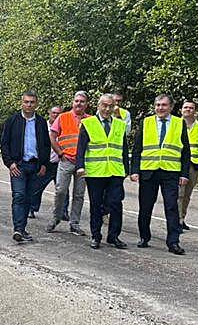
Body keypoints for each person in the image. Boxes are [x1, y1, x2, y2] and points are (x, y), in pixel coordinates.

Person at [131, 94, 192, 255]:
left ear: (171, 107)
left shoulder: (179, 123)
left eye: (164, 105)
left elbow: (186, 151)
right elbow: (137, 149)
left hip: (170, 171)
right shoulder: (146, 122)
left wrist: (184, 174)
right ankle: (144, 237)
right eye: (158, 105)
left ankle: (173, 242)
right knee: (145, 207)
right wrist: (135, 170)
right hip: (148, 171)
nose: (160, 108)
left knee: (171, 207)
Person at [75, 94, 129, 249]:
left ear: (114, 107)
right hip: (96, 172)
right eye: (104, 105)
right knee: (96, 205)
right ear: (98, 106)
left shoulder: (120, 124)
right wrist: (80, 166)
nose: (107, 109)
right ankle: (96, 235)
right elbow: (81, 147)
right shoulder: (88, 123)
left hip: (115, 171)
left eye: (110, 106)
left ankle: (113, 236)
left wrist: (126, 168)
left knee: (116, 203)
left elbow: (124, 148)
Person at [0, 91, 52, 244]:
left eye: (32, 102)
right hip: (19, 165)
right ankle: (17, 229)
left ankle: (22, 229)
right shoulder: (12, 121)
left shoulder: (41, 122)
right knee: (19, 196)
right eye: (26, 102)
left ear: (36, 104)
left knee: (29, 198)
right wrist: (10, 163)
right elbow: (4, 144)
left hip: (35, 166)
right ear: (21, 103)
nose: (29, 105)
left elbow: (46, 145)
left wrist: (44, 164)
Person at [48, 91, 89, 236]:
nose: (79, 103)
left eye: (82, 101)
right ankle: (56, 218)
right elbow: (52, 136)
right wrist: (60, 153)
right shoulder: (63, 117)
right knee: (60, 190)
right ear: (73, 102)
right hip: (66, 160)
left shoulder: (90, 120)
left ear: (86, 104)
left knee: (79, 194)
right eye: (76, 101)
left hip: (83, 163)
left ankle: (74, 224)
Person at [29, 105, 62, 218]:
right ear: (49, 113)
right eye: (54, 113)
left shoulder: (63, 127)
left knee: (62, 190)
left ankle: (63, 212)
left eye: (59, 113)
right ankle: (31, 209)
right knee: (37, 188)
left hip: (60, 163)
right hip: (46, 163)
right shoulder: (42, 126)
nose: (56, 115)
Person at [180, 100, 198, 230]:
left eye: (191, 108)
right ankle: (176, 220)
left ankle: (182, 218)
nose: (188, 110)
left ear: (195, 111)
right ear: (181, 110)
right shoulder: (176, 124)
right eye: (186, 107)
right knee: (179, 193)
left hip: (194, 163)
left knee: (187, 194)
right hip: (179, 163)